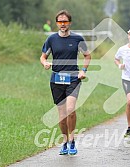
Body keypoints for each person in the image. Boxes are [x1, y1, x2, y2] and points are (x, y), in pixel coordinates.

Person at [40, 10, 91, 155]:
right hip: (56, 79)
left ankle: (72, 140)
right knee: (62, 116)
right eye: (60, 21)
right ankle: (64, 141)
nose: (63, 24)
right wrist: (45, 63)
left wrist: (83, 71)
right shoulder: (51, 39)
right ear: (57, 23)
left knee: (70, 110)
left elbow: (87, 56)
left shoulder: (77, 39)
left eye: (65, 21)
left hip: (73, 78)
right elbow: (43, 57)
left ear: (70, 22)